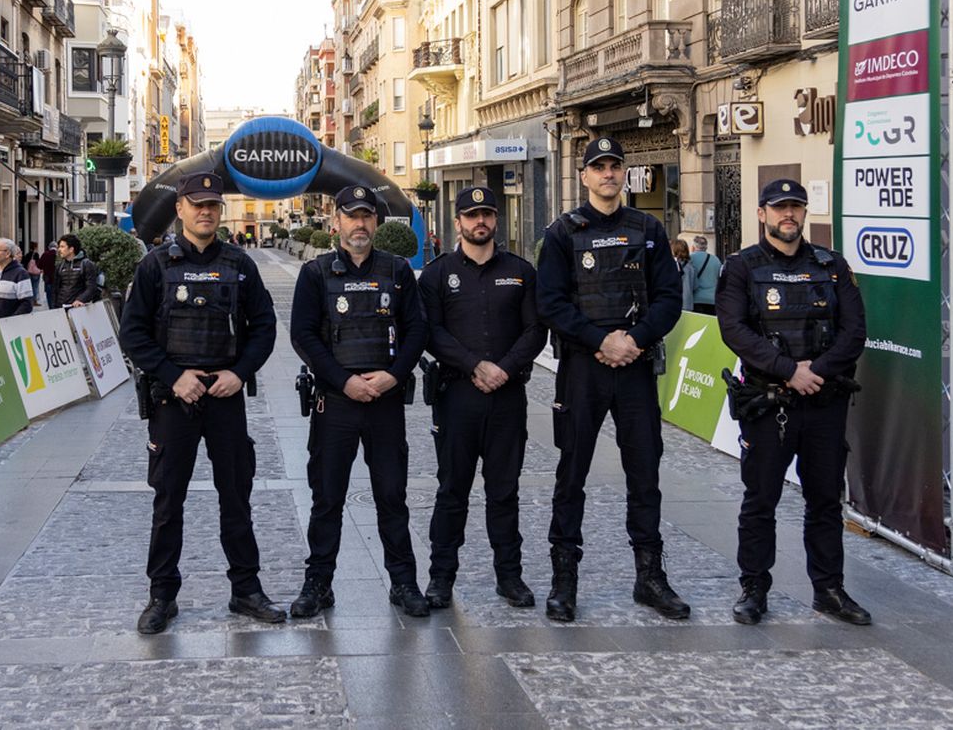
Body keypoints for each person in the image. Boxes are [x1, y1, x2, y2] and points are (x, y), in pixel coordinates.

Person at [118, 172, 284, 634]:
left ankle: (246, 589)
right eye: (197, 204)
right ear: (180, 210)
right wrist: (173, 376)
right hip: (175, 401)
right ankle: (162, 595)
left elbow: (265, 327)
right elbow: (132, 333)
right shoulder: (155, 266)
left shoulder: (240, 264)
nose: (206, 211)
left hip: (225, 396)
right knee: (168, 501)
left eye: (212, 204)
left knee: (236, 497)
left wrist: (239, 372)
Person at [537, 137, 688, 623]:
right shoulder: (562, 233)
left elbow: (669, 297)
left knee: (645, 473)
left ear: (624, 173)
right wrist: (601, 341)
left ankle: (650, 577)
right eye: (598, 167)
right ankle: (564, 579)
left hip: (636, 367)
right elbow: (551, 303)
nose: (607, 174)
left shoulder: (648, 229)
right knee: (572, 473)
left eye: (614, 166)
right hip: (584, 369)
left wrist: (635, 339)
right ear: (584, 176)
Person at [716, 179, 871, 627]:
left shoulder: (832, 265)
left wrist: (814, 372)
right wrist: (789, 371)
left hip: (824, 400)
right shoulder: (741, 267)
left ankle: (829, 589)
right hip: (769, 404)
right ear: (762, 213)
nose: (789, 214)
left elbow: (854, 332)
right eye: (780, 207)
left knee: (825, 501)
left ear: (804, 213)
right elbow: (734, 330)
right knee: (760, 500)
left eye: (796, 207)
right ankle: (754, 587)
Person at [289, 185, 430, 619]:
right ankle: (318, 584)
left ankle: (404, 582)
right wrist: (344, 381)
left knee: (391, 495)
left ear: (376, 222)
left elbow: (417, 331)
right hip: (336, 403)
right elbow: (303, 335)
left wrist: (393, 375)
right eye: (352, 216)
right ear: (337, 223)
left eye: (367, 216)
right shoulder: (315, 274)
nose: (360, 224)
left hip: (385, 402)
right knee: (327, 498)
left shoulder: (397, 270)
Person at [419, 186, 546, 610]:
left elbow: (535, 330)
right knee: (452, 491)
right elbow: (431, 332)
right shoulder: (437, 274)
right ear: (457, 222)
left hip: (507, 398)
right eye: (472, 215)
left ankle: (510, 578)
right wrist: (475, 365)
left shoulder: (521, 271)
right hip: (457, 396)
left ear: (496, 219)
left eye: (487, 214)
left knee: (504, 492)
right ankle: (440, 579)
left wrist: (504, 368)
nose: (480, 221)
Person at [0, 238, 35, 319]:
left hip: (8, 324)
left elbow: (27, 304)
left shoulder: (21, 274)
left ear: (7, 254)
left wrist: (10, 321)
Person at [53, 234, 102, 308]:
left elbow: (91, 287)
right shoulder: (60, 266)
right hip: (61, 308)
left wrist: (80, 299)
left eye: (62, 247)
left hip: (79, 309)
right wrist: (55, 306)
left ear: (71, 249)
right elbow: (55, 290)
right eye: (59, 247)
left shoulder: (86, 264)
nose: (59, 250)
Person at [689, 235, 721, 315]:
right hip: (712, 299)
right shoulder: (716, 260)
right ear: (706, 247)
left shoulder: (690, 259)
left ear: (693, 247)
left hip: (697, 299)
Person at [672, 239, 697, 313]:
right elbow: (695, 286)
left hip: (673, 301)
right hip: (688, 303)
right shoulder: (691, 267)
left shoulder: (670, 265)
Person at [37, 240, 60, 309]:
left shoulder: (45, 254)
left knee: (49, 294)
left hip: (48, 278)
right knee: (57, 294)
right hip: (58, 279)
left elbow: (39, 265)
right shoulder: (59, 255)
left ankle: (51, 308)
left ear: (49, 247)